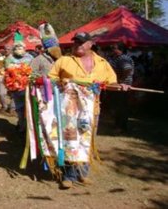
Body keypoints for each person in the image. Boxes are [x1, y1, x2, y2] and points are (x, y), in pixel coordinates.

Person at [49, 32, 129, 189]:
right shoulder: (64, 60)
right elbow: (50, 79)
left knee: (86, 141)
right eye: (75, 43)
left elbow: (110, 83)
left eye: (81, 42)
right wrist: (60, 83)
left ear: (90, 44)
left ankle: (82, 173)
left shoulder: (102, 63)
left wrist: (121, 86)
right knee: (71, 140)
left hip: (92, 110)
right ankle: (69, 176)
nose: (77, 45)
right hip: (69, 109)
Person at [4, 41, 33, 133]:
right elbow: (6, 72)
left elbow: (33, 70)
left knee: (28, 107)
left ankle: (28, 127)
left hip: (28, 87)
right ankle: (21, 125)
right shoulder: (9, 58)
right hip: (15, 88)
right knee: (19, 107)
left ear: (25, 49)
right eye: (16, 47)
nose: (18, 49)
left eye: (20, 47)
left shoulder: (30, 58)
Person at [108, 42, 134, 133]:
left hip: (123, 87)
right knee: (117, 106)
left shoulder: (123, 58)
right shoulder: (116, 58)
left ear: (120, 49)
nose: (112, 50)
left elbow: (127, 69)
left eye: (114, 48)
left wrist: (121, 81)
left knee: (121, 107)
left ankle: (121, 127)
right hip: (118, 86)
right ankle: (117, 125)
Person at [0, 45, 15, 113]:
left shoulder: (15, 59)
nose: (7, 50)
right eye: (5, 49)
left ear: (12, 50)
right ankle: (4, 106)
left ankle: (12, 108)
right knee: (1, 94)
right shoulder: (0, 59)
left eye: (8, 49)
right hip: (2, 78)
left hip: (13, 79)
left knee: (14, 95)